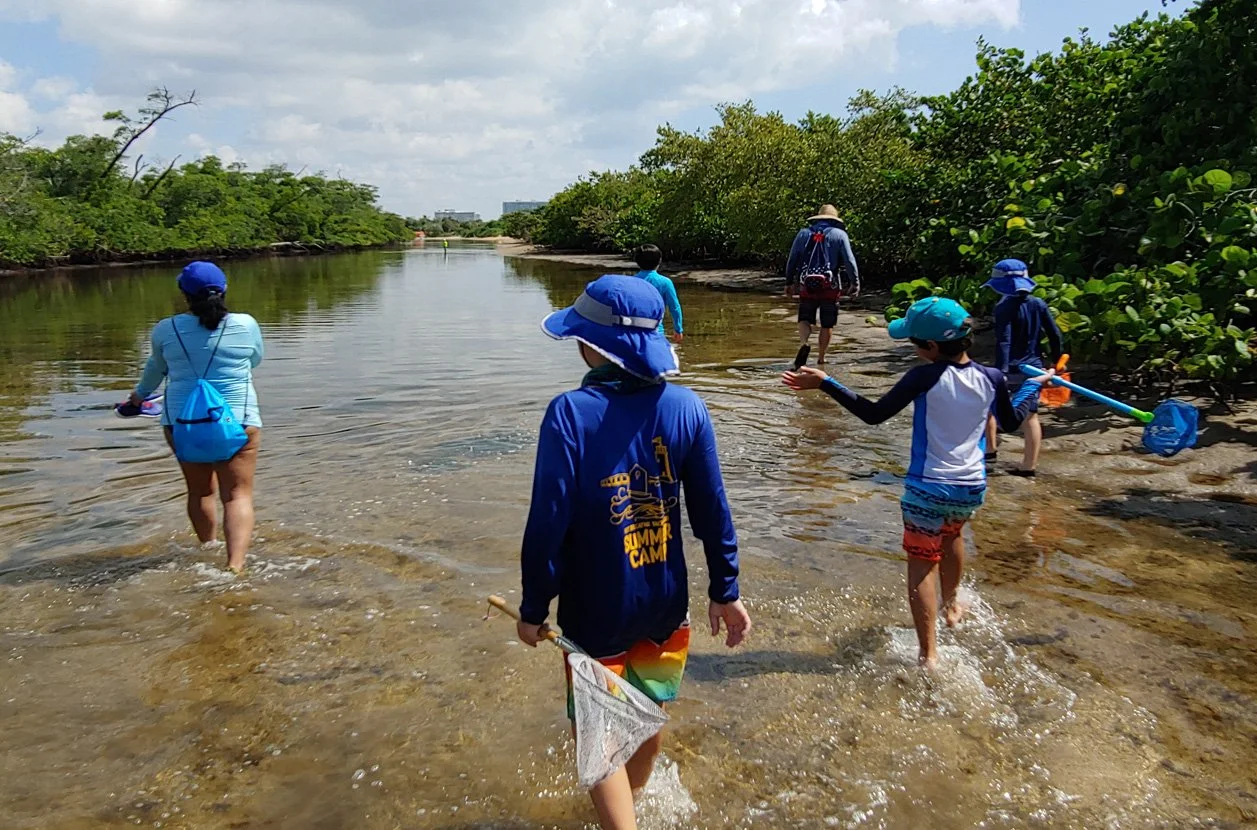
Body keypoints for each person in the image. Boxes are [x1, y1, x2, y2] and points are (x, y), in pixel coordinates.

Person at [517, 274, 751, 829]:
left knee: (598, 735)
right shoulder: (687, 406)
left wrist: (533, 607)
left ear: (591, 346)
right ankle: (633, 804)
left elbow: (548, 522)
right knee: (646, 712)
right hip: (665, 604)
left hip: (596, 610)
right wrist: (726, 589)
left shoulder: (570, 413)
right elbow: (713, 510)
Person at [782, 296, 1049, 668]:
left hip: (928, 486)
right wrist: (1032, 388)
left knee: (922, 563)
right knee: (952, 535)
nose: (913, 348)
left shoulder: (923, 377)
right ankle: (951, 606)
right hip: (970, 487)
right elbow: (1010, 420)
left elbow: (873, 414)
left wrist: (826, 383)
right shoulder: (992, 378)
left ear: (932, 347)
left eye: (914, 342)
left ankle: (929, 655)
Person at [125, 261, 264, 573]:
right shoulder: (246, 324)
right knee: (237, 495)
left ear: (183, 294)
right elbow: (255, 359)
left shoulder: (166, 329)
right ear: (224, 290)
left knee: (200, 491)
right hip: (238, 420)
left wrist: (138, 397)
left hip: (183, 424)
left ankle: (207, 550)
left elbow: (156, 369)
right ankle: (235, 566)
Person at [981, 259, 1064, 477]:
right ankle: (1028, 466)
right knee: (1031, 416)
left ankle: (990, 450)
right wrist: (1057, 362)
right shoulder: (1038, 303)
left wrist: (1001, 372)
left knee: (989, 405)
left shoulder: (1003, 307)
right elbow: (1054, 334)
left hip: (1012, 367)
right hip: (1034, 367)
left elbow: (1004, 341)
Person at [784, 204, 860, 365]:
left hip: (806, 284)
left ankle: (804, 343)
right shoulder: (840, 235)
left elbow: (792, 259)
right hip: (830, 286)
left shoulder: (803, 233)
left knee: (804, 318)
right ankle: (821, 358)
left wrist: (789, 282)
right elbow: (849, 260)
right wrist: (855, 283)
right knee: (827, 323)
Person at [632, 244, 684, 343]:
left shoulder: (630, 282)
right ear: (659, 261)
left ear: (637, 261)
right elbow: (674, 307)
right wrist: (678, 329)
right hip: (655, 331)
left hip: (634, 332)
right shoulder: (665, 282)